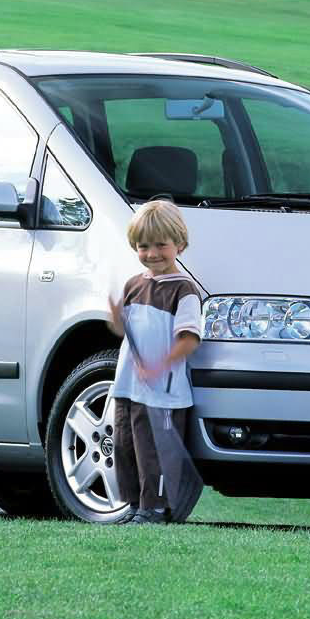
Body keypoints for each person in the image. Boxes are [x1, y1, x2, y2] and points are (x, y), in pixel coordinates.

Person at [106, 199, 203, 523]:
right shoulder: (134, 285)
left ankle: (155, 507)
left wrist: (160, 365)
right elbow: (122, 330)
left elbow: (188, 338)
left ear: (180, 245)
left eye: (161, 245)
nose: (152, 254)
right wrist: (116, 317)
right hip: (128, 385)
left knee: (155, 451)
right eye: (143, 246)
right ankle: (134, 506)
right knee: (125, 446)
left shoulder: (184, 290)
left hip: (162, 390)